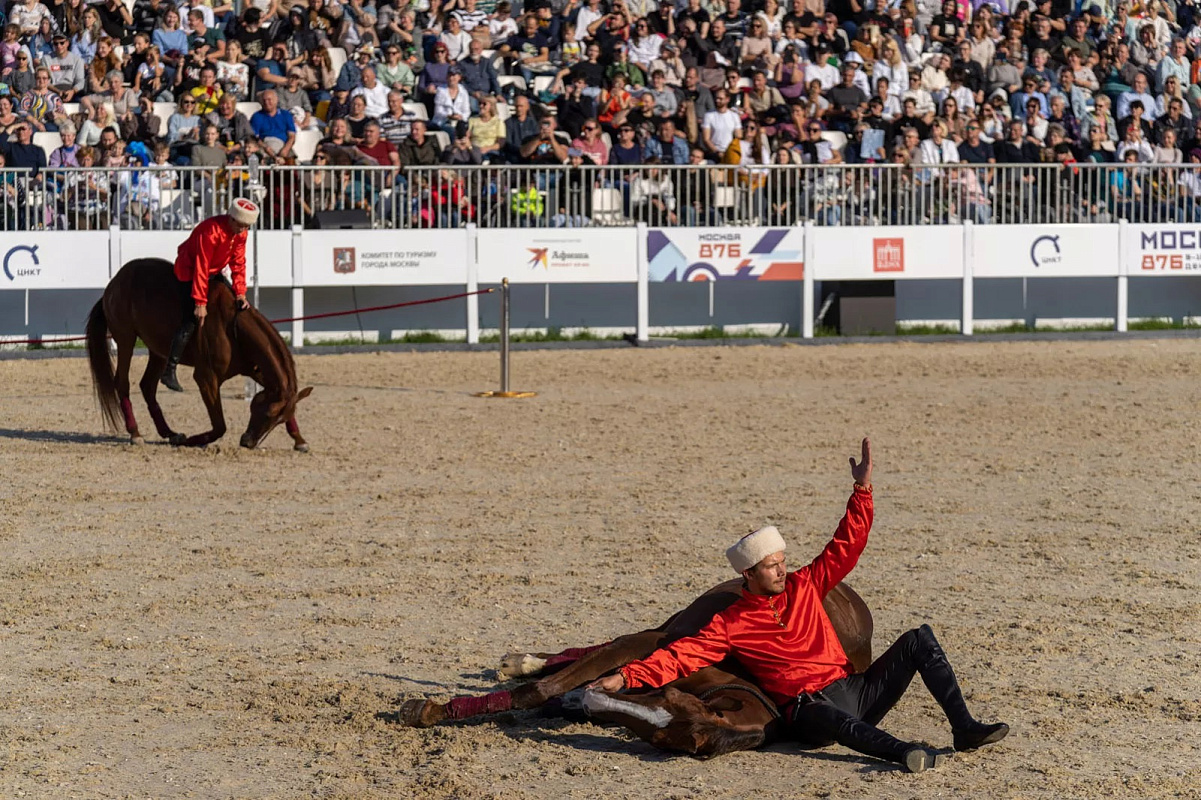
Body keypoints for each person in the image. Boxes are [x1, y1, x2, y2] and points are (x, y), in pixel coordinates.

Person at [589, 439, 1009, 773]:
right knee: (822, 712)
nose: (781, 571)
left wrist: (862, 490)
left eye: (782, 561)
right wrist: (627, 675)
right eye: (771, 567)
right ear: (748, 576)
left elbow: (847, 544)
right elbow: (681, 657)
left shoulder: (805, 584)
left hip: (855, 691)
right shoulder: (730, 623)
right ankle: (904, 752)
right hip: (807, 711)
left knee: (919, 639)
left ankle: (964, 727)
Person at [162, 199, 260, 393]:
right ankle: (169, 369)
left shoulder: (241, 233)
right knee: (191, 319)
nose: (242, 230)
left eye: (246, 227)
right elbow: (201, 266)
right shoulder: (211, 231)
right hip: (189, 271)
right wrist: (200, 302)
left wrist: (240, 293)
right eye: (240, 225)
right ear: (231, 218)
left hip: (214, 272)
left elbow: (238, 262)